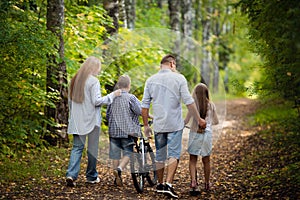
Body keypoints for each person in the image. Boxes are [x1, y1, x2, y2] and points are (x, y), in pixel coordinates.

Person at [141, 54, 206, 199]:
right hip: (174, 124)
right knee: (173, 154)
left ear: (161, 65)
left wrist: (146, 126)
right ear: (172, 64)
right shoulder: (179, 78)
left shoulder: (150, 80)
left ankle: (160, 184)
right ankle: (168, 185)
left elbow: (144, 106)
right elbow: (188, 101)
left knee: (160, 155)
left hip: (159, 125)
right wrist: (199, 118)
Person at [66, 56, 121, 187]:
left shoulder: (74, 80)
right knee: (92, 149)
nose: (99, 70)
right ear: (93, 67)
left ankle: (71, 174)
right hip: (91, 121)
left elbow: (70, 102)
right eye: (98, 68)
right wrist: (112, 95)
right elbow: (97, 101)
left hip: (77, 120)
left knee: (77, 148)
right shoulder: (93, 81)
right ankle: (91, 176)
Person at [106, 75, 142, 187]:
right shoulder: (131, 98)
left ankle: (117, 177)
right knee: (129, 152)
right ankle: (120, 168)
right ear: (129, 85)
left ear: (118, 85)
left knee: (115, 155)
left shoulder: (112, 98)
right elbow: (139, 110)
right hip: (127, 131)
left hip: (113, 131)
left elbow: (107, 114)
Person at [184, 83, 219, 195]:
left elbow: (186, 120)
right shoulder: (211, 105)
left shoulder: (193, 106)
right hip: (207, 134)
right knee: (206, 160)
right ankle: (207, 183)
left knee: (193, 159)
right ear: (206, 93)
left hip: (194, 133)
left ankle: (193, 182)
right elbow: (216, 121)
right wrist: (208, 121)